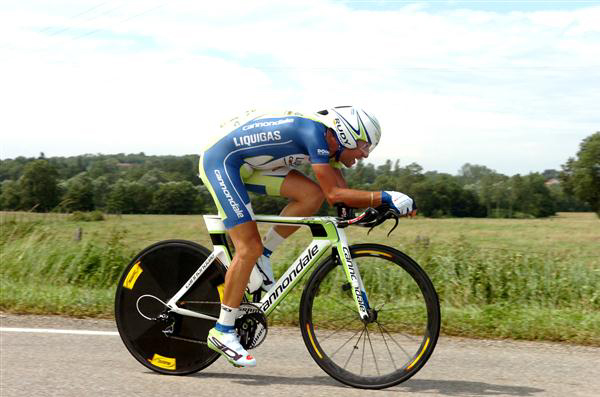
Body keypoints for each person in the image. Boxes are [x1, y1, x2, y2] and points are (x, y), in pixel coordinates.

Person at [198, 106, 416, 367]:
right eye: (363, 145)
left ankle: (264, 256)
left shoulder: (331, 144)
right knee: (248, 248)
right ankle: (222, 331)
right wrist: (385, 196)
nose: (365, 154)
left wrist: (384, 208)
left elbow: (342, 200)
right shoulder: (314, 134)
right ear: (345, 133)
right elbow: (335, 194)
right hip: (222, 161)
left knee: (311, 195)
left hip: (251, 164)